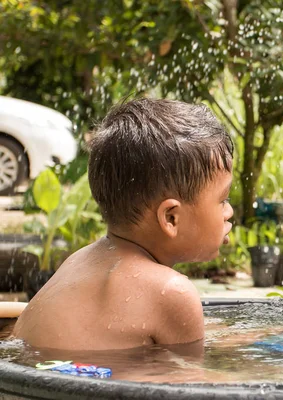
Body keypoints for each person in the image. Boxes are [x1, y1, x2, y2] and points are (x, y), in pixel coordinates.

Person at [12, 98, 234, 352]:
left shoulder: (78, 261)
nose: (229, 212)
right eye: (223, 200)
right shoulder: (172, 292)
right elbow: (190, 384)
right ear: (171, 218)